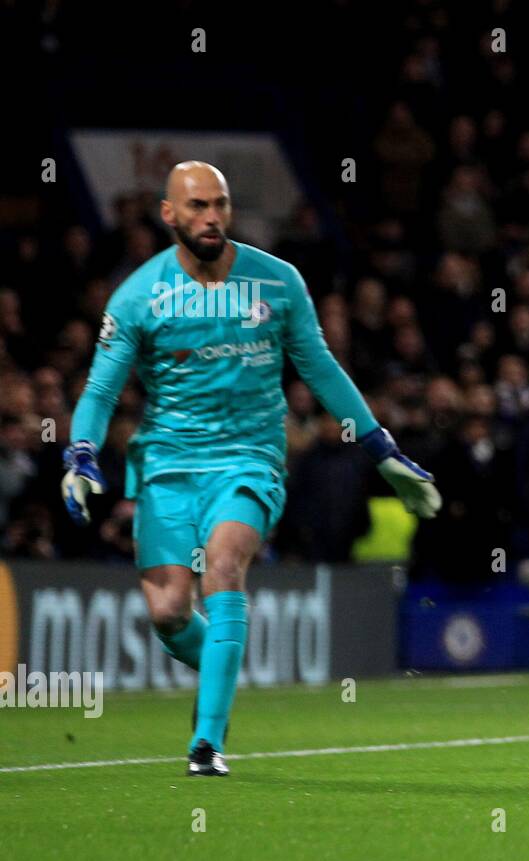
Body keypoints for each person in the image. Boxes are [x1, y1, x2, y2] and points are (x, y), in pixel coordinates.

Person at [60, 162, 442, 776]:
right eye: (197, 208)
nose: (211, 218)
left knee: (224, 565)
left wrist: (383, 450)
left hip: (250, 456)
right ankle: (222, 660)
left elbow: (321, 369)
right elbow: (102, 391)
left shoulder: (278, 282)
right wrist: (79, 454)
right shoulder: (137, 295)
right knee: (168, 614)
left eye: (220, 205)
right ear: (168, 215)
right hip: (167, 463)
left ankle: (206, 741)